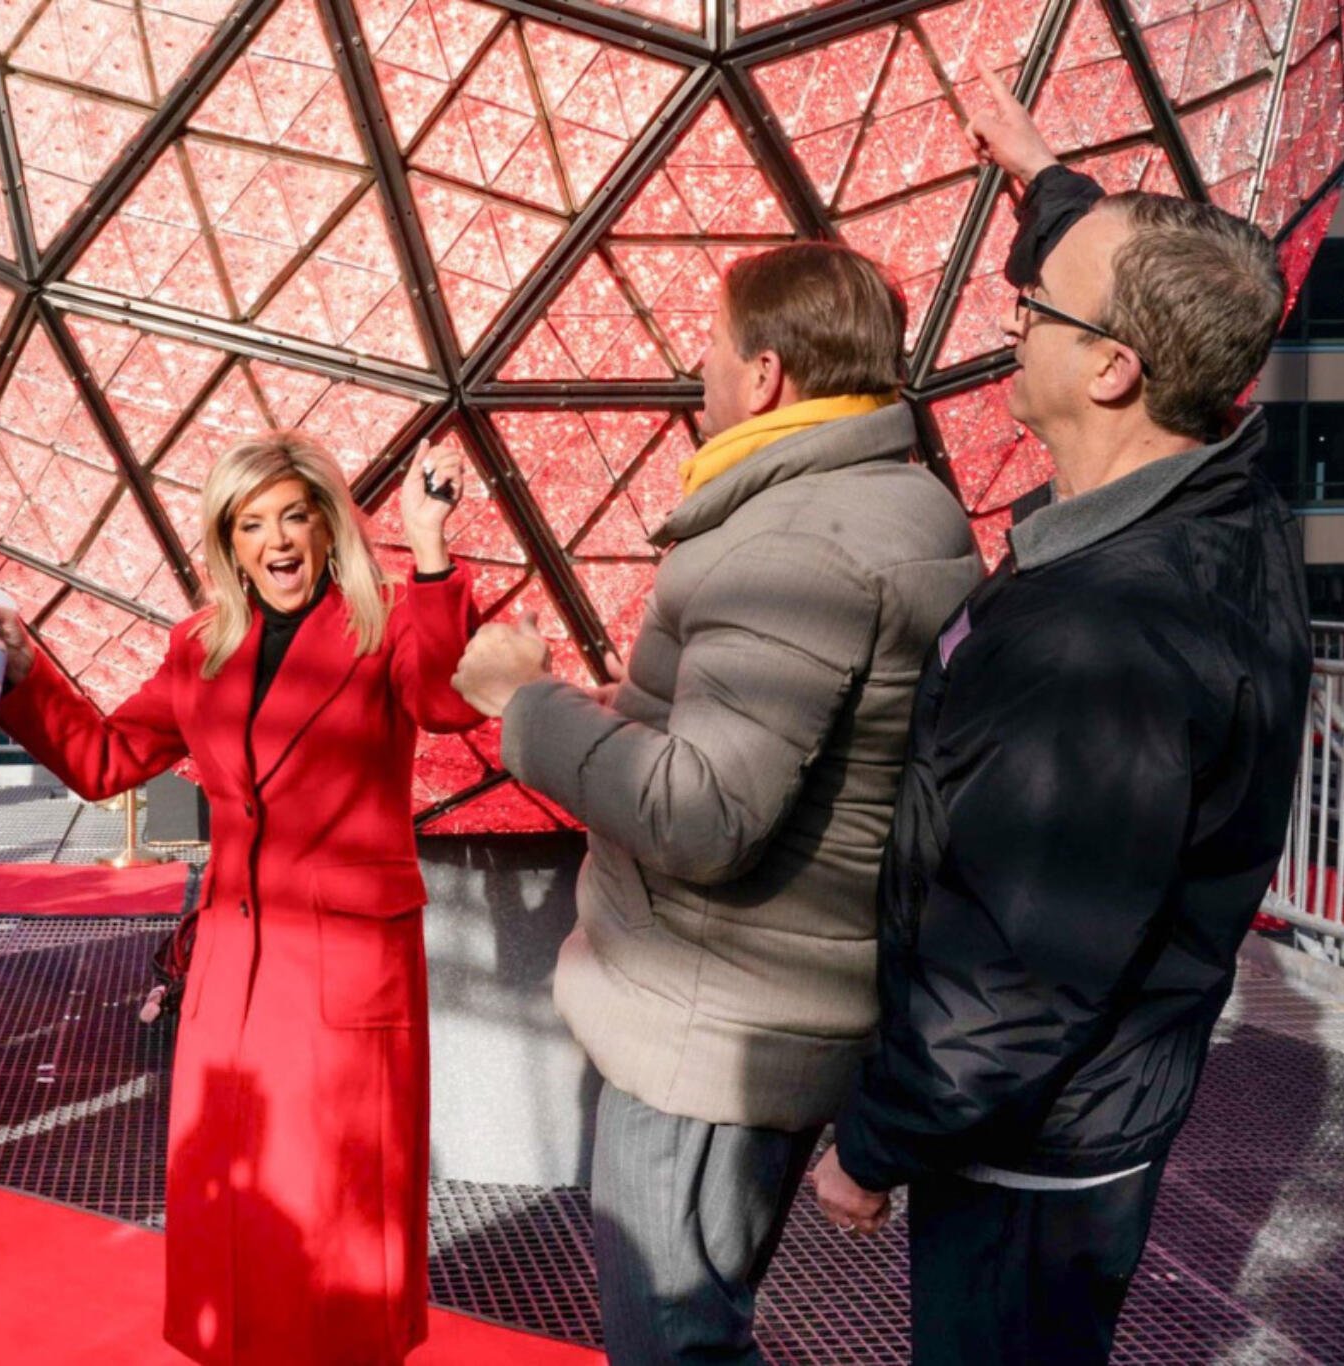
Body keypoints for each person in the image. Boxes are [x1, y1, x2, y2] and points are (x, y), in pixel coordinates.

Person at [809, 70, 1311, 1366]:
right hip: (1093, 1113)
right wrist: (1042, 176)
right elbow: (1129, 280)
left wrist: (874, 1143)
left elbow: (1015, 977)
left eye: (1033, 304)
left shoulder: (1101, 639)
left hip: (1028, 1156)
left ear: (1111, 368)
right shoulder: (1222, 494)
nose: (1011, 316)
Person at [450, 243, 981, 1365]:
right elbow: (792, 741)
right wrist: (632, 711)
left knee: (673, 1338)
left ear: (768, 373)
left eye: (713, 346)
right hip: (775, 994)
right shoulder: (901, 502)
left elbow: (702, 817)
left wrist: (526, 702)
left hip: (709, 1025)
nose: (698, 370)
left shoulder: (794, 540)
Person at [0, 430, 480, 1365]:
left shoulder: (389, 621)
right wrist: (23, 666)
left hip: (344, 977)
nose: (277, 541)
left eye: (294, 517)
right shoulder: (200, 645)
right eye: (252, 524)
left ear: (326, 528)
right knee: (236, 1201)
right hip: (233, 978)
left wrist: (430, 541)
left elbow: (447, 699)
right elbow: (104, 759)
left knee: (336, 1210)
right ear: (229, 543)